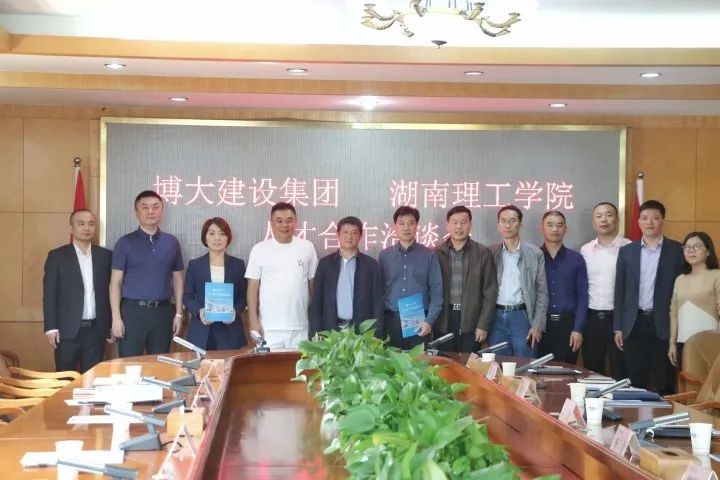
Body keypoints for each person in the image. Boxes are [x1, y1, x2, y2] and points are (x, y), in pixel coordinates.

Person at [614, 200, 683, 394]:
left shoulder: (677, 250)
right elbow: (620, 290)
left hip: (664, 323)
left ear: (663, 221)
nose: (649, 222)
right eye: (644, 218)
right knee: (635, 380)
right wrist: (618, 326)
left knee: (664, 381)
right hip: (633, 323)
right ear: (638, 222)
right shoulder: (627, 251)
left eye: (655, 218)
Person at [110, 191, 184, 357]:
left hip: (163, 312)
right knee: (129, 364)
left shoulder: (172, 242)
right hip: (132, 313)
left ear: (162, 211)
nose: (151, 211)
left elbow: (178, 279)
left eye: (155, 207)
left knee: (160, 362)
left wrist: (179, 313)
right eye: (145, 207)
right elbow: (115, 283)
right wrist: (116, 318)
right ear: (136, 212)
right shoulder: (124, 242)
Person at [43, 209, 112, 373]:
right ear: (71, 228)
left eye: (91, 224)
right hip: (67, 331)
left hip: (96, 329)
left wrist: (110, 323)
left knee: (93, 377)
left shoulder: (105, 256)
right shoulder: (57, 256)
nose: (87, 228)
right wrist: (51, 327)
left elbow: (111, 292)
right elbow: (50, 294)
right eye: (81, 224)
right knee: (65, 378)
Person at [245, 202, 318, 349]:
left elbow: (313, 285)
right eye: (279, 221)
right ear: (271, 223)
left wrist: (316, 319)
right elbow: (252, 288)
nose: (284, 225)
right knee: (268, 364)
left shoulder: (307, 247)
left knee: (300, 364)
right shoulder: (259, 249)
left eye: (289, 220)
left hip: (300, 326)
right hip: (269, 328)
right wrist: (253, 320)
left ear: (296, 222)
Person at [377, 206, 443, 349]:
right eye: (401, 223)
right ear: (395, 226)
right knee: (392, 361)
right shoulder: (385, 256)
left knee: (419, 362)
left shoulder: (429, 255)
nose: (406, 228)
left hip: (420, 321)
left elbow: (437, 292)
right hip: (391, 320)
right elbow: (378, 291)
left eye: (411, 223)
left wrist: (429, 321)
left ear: (417, 226)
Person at [434, 206, 498, 352]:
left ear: (470, 225)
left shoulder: (482, 253)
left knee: (469, 363)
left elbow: (490, 292)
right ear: (448, 225)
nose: (459, 227)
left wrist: (483, 324)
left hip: (471, 320)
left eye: (463, 222)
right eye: (455, 222)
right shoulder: (436, 253)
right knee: (444, 362)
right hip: (443, 319)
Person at [489, 205, 547, 358]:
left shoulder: (535, 253)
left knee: (525, 363)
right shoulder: (491, 253)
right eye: (504, 221)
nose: (508, 225)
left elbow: (542, 292)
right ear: (498, 226)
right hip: (496, 316)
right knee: (497, 364)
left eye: (512, 221)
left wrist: (537, 325)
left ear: (521, 224)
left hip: (522, 315)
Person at [580, 202, 630, 378]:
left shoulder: (629, 248)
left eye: (609, 215)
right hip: (592, 319)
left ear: (617, 220)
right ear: (593, 222)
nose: (604, 219)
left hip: (620, 319)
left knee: (621, 372)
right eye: (599, 216)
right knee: (592, 372)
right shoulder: (585, 250)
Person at [310, 216, 383, 337]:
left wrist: (376, 334)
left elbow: (377, 303)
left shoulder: (371, 265)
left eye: (354, 233)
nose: (349, 237)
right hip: (331, 331)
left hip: (362, 332)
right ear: (338, 234)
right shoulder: (325, 264)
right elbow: (317, 301)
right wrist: (315, 333)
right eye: (345, 232)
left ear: (360, 236)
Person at [183, 218, 247, 350]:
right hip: (202, 329)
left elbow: (243, 297)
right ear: (205, 238)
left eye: (222, 234)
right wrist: (199, 311)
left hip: (230, 330)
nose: (217, 238)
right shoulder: (195, 265)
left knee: (229, 364)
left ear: (228, 238)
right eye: (212, 233)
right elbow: (187, 297)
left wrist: (235, 311)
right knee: (201, 364)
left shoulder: (238, 265)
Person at [538, 210, 588, 364]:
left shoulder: (576, 259)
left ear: (565, 229)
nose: (555, 229)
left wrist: (578, 329)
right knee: (538, 371)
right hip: (540, 325)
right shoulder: (534, 257)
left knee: (566, 371)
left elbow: (583, 296)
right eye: (550, 225)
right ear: (542, 228)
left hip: (568, 325)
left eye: (559, 225)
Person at [668, 232, 720, 368]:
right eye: (687, 247)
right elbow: (674, 314)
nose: (691, 250)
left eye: (697, 246)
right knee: (686, 380)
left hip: (710, 342)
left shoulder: (717, 276)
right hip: (682, 342)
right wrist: (672, 343)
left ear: (708, 251)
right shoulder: (680, 279)